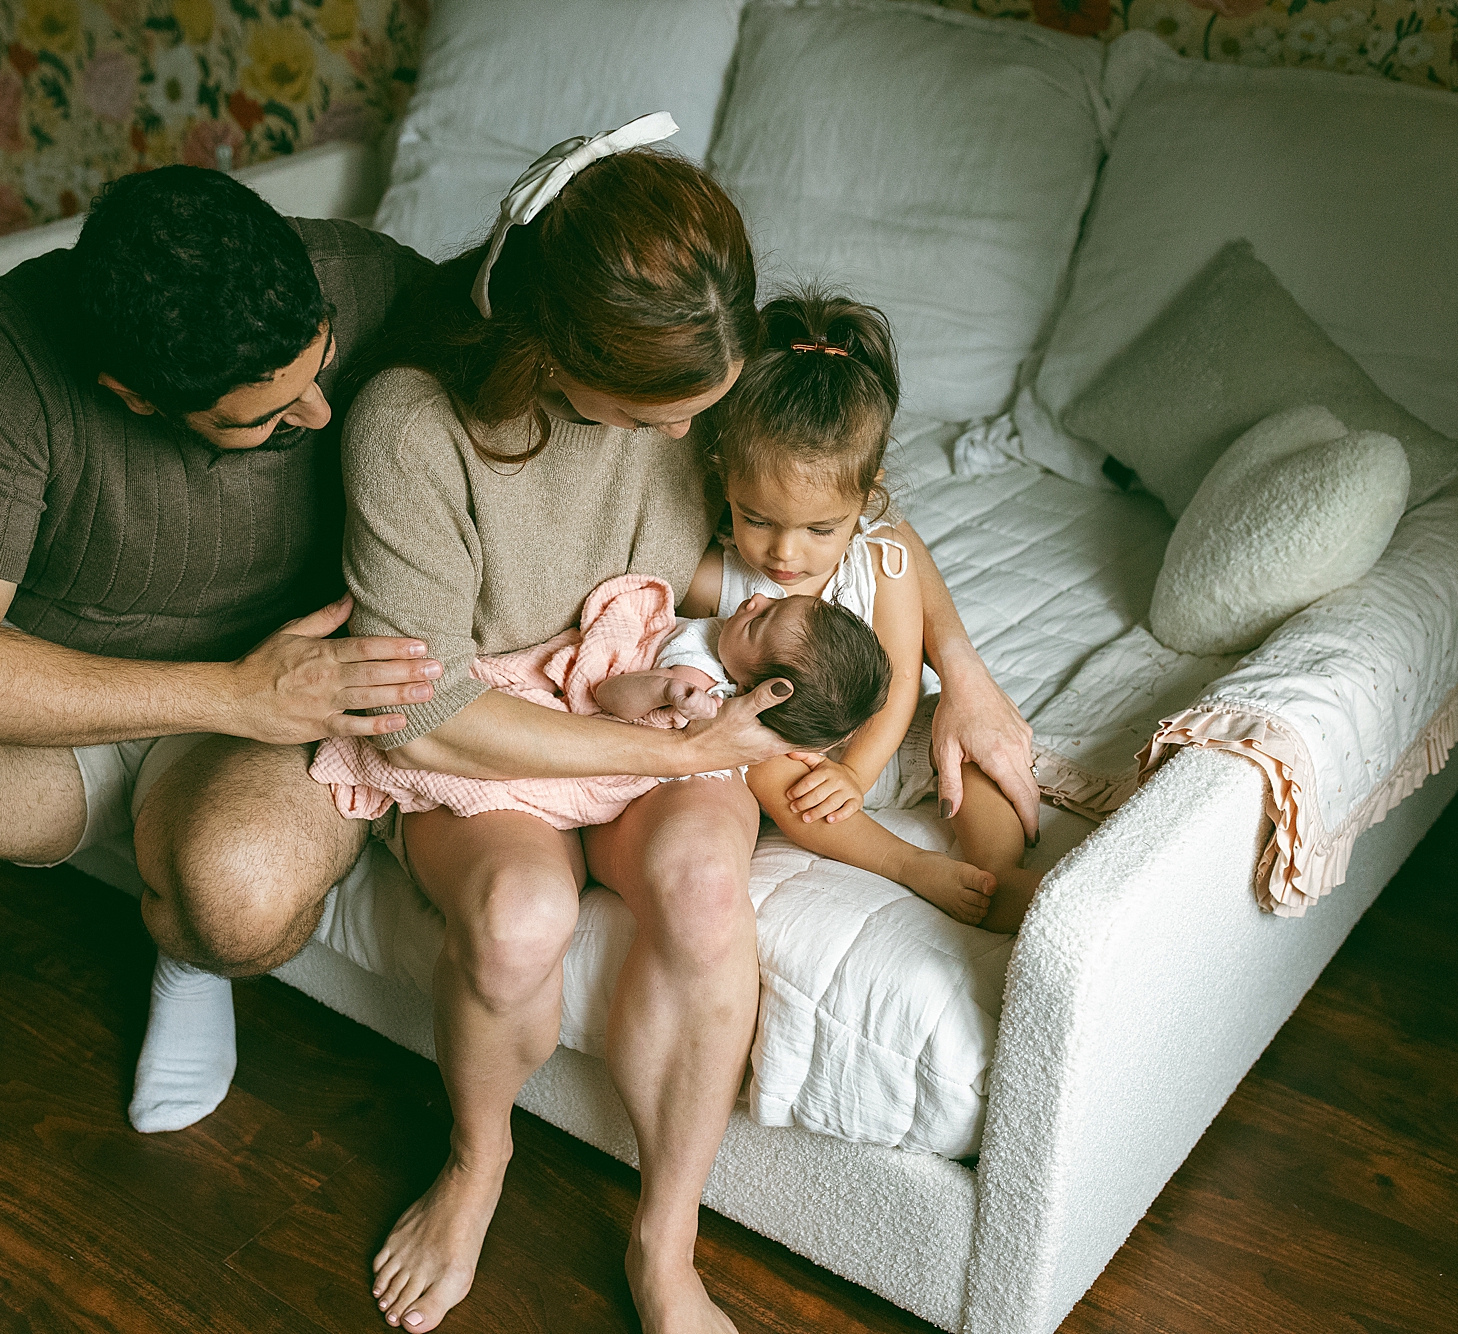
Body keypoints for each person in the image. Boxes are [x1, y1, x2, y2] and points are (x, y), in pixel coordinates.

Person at [337, 115, 1039, 1334]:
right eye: (668, 414)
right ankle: (477, 1160)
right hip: (485, 725)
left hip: (647, 684)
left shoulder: (701, 406)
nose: (690, 444)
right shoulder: (410, 428)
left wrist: (962, 672)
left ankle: (664, 1243)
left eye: (706, 411)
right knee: (518, 917)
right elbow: (428, 708)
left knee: (706, 885)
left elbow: (855, 533)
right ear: (554, 349)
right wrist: (670, 747)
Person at [0, 166, 440, 1334]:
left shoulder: (369, 282)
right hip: (91, 708)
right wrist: (224, 690)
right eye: (265, 418)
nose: (317, 417)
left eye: (319, 373)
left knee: (242, 900)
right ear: (133, 393)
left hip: (265, 712)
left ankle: (181, 954)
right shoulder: (16, 348)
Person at [697, 288, 1041, 932]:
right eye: (756, 519)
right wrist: (834, 777)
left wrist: (858, 771)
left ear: (868, 492)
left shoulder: (883, 564)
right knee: (763, 762)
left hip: (878, 741)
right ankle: (914, 867)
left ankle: (999, 872)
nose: (783, 554)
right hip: (803, 762)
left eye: (821, 529)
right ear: (724, 478)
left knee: (955, 733)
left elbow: (904, 680)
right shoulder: (716, 577)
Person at [310, 573, 893, 831]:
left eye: (760, 623)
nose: (748, 604)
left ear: (761, 690)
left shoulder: (704, 682)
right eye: (770, 603)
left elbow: (613, 698)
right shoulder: (704, 650)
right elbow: (606, 693)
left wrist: (673, 696)